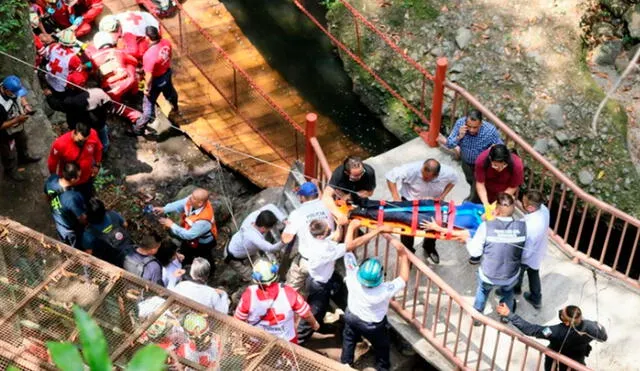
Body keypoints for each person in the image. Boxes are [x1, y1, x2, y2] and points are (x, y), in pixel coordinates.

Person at [297, 219, 387, 344]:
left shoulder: (316, 240)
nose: (330, 229)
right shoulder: (323, 250)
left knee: (321, 308)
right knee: (315, 311)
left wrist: (340, 225)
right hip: (319, 285)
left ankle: (319, 326)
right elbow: (351, 245)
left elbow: (334, 238)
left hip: (319, 280)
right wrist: (374, 231)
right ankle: (299, 340)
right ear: (321, 235)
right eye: (328, 229)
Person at [340, 233, 409, 370]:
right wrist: (403, 253)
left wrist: (352, 228)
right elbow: (403, 278)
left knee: (349, 339)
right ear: (380, 278)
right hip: (372, 325)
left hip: (351, 316)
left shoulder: (353, 276)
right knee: (382, 346)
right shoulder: (384, 290)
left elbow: (347, 249)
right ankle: (382, 368)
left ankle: (345, 363)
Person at [465, 193, 525, 324]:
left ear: (496, 209)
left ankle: (477, 317)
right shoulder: (523, 227)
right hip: (511, 275)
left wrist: (468, 240)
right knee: (508, 293)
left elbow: (474, 252)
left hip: (489, 274)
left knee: (482, 291)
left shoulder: (486, 226)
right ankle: (505, 316)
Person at [386, 158, 458, 264]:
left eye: (428, 178)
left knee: (434, 226)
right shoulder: (411, 169)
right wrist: (396, 197)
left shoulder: (448, 172)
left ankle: (429, 247)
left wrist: (443, 195)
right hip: (411, 202)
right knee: (407, 230)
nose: (424, 179)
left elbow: (454, 181)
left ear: (436, 175)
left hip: (432, 203)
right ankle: (408, 253)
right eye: (423, 176)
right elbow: (390, 177)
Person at [496, 303, 607, 371]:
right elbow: (603, 337)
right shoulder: (591, 327)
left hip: (555, 364)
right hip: (578, 363)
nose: (560, 312)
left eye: (562, 314)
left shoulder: (555, 331)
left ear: (567, 322)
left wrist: (509, 315)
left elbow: (531, 330)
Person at [234, 258, 320, 344]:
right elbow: (306, 313)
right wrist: (314, 324)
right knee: (289, 357)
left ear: (256, 278)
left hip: (257, 341)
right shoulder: (288, 292)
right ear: (275, 273)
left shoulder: (249, 294)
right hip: (286, 340)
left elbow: (238, 318)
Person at [281, 181, 333, 292]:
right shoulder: (327, 206)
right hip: (327, 259)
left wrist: (288, 226)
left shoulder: (297, 214)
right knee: (315, 290)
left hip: (308, 261)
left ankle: (290, 302)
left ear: (303, 197)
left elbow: (286, 239)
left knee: (291, 289)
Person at [445, 110, 503, 202]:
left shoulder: (489, 131)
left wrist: (491, 150)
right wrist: (459, 137)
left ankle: (471, 201)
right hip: (466, 162)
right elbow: (449, 144)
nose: (471, 130)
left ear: (481, 124)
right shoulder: (460, 123)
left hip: (481, 165)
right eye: (469, 127)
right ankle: (480, 195)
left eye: (475, 127)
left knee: (476, 187)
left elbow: (500, 146)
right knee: (470, 181)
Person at [154, 188, 218, 268]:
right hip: (191, 236)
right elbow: (180, 204)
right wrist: (164, 209)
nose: (190, 198)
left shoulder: (204, 220)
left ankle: (209, 270)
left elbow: (189, 235)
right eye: (192, 195)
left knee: (204, 256)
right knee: (185, 250)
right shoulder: (192, 200)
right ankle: (185, 263)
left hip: (203, 242)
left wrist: (171, 225)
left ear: (200, 203)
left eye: (193, 198)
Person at [134, 26, 179, 135]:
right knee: (170, 93)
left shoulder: (149, 55)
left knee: (148, 104)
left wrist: (146, 88)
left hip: (155, 81)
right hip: (166, 74)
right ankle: (175, 108)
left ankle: (138, 128)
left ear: (147, 37)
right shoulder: (166, 42)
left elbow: (149, 75)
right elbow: (170, 56)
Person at [225, 204, 286, 282]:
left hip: (245, 248)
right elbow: (271, 248)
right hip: (233, 257)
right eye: (269, 228)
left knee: (261, 265)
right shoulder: (255, 238)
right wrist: (284, 241)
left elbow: (270, 206)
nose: (270, 229)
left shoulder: (254, 217)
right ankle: (247, 281)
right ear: (264, 228)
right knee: (255, 279)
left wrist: (284, 220)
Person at [47, 121, 102, 200]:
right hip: (70, 180)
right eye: (80, 140)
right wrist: (54, 178)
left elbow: (98, 149)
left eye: (85, 140)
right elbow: (52, 162)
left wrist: (97, 165)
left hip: (87, 177)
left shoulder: (93, 134)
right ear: (74, 132)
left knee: (87, 197)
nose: (83, 143)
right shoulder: (60, 144)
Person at [0, 76, 41, 182]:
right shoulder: (1, 105)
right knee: (9, 153)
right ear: (7, 91)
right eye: (14, 92)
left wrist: (25, 105)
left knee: (23, 140)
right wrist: (17, 120)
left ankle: (24, 157)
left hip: (17, 125)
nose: (17, 94)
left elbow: (20, 96)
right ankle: (10, 170)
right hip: (5, 133)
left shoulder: (7, 86)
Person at [515, 190, 550, 309]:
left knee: (518, 272)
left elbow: (527, 250)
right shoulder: (544, 209)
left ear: (530, 207)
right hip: (538, 250)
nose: (522, 203)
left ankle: (515, 289)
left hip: (528, 254)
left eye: (523, 202)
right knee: (533, 272)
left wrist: (519, 258)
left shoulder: (532, 225)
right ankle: (536, 298)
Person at [86, 31, 139, 103]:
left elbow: (93, 72)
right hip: (126, 83)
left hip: (109, 90)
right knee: (131, 66)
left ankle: (118, 104)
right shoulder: (119, 52)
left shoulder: (93, 58)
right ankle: (135, 94)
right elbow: (134, 61)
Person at [322, 156, 376, 225]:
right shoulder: (339, 173)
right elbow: (326, 197)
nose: (360, 176)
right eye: (356, 175)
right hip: (340, 196)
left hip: (359, 198)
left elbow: (370, 192)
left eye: (362, 173)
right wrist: (339, 215)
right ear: (347, 173)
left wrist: (365, 193)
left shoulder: (369, 172)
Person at [44, 162, 86, 249]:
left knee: (63, 239)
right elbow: (81, 219)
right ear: (73, 179)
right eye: (78, 176)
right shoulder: (73, 197)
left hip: (58, 222)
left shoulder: (52, 179)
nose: (79, 178)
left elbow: (47, 196)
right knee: (75, 246)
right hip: (70, 228)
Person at [83, 197, 132, 267]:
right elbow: (125, 224)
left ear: (88, 216)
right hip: (126, 247)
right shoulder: (112, 214)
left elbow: (89, 252)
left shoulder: (88, 233)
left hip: (113, 259)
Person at [42, 29, 88, 98]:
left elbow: (46, 56)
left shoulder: (52, 47)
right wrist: (86, 65)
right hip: (60, 88)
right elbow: (78, 69)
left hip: (48, 78)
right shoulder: (73, 58)